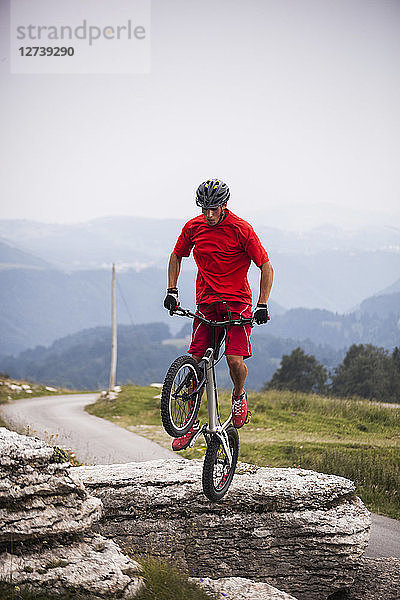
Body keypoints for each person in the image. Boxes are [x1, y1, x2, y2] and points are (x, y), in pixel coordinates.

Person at [163, 178, 273, 451]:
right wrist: (172, 290)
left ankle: (238, 396)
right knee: (195, 363)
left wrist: (262, 304)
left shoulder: (241, 229)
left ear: (224, 205)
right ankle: (188, 425)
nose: (209, 215)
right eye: (204, 209)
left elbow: (266, 266)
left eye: (214, 209)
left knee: (234, 361)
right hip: (207, 303)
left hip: (237, 304)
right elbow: (177, 256)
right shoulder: (193, 227)